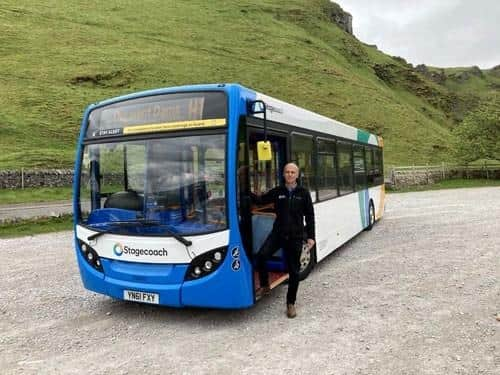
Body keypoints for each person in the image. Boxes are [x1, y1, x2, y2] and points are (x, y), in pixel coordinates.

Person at [253, 162, 315, 318]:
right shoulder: (278, 191)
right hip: (278, 234)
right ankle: (265, 285)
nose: (290, 174)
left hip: (295, 237)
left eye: (293, 172)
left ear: (297, 175)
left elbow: (310, 216)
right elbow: (260, 200)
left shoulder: (303, 193)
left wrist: (311, 236)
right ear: (283, 174)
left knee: (294, 271)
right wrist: (244, 190)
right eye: (287, 172)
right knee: (261, 256)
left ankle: (291, 303)